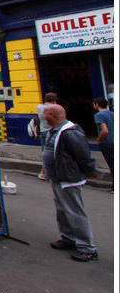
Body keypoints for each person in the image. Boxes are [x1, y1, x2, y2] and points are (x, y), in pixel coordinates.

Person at [43, 104, 98, 262]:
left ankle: (87, 248)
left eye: (45, 113)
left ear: (52, 115)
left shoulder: (69, 132)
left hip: (69, 178)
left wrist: (89, 170)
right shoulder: (54, 131)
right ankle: (68, 237)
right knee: (62, 209)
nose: (42, 116)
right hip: (57, 177)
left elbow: (82, 154)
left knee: (75, 211)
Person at [93, 98, 113, 193]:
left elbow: (105, 130)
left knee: (112, 164)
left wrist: (99, 140)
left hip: (108, 142)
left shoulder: (99, 115)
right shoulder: (112, 113)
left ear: (97, 105)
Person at [36, 93, 58, 180]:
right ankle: (45, 173)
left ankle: (44, 172)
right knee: (54, 151)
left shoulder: (39, 107)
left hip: (43, 131)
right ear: (54, 100)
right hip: (52, 132)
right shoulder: (54, 108)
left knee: (45, 151)